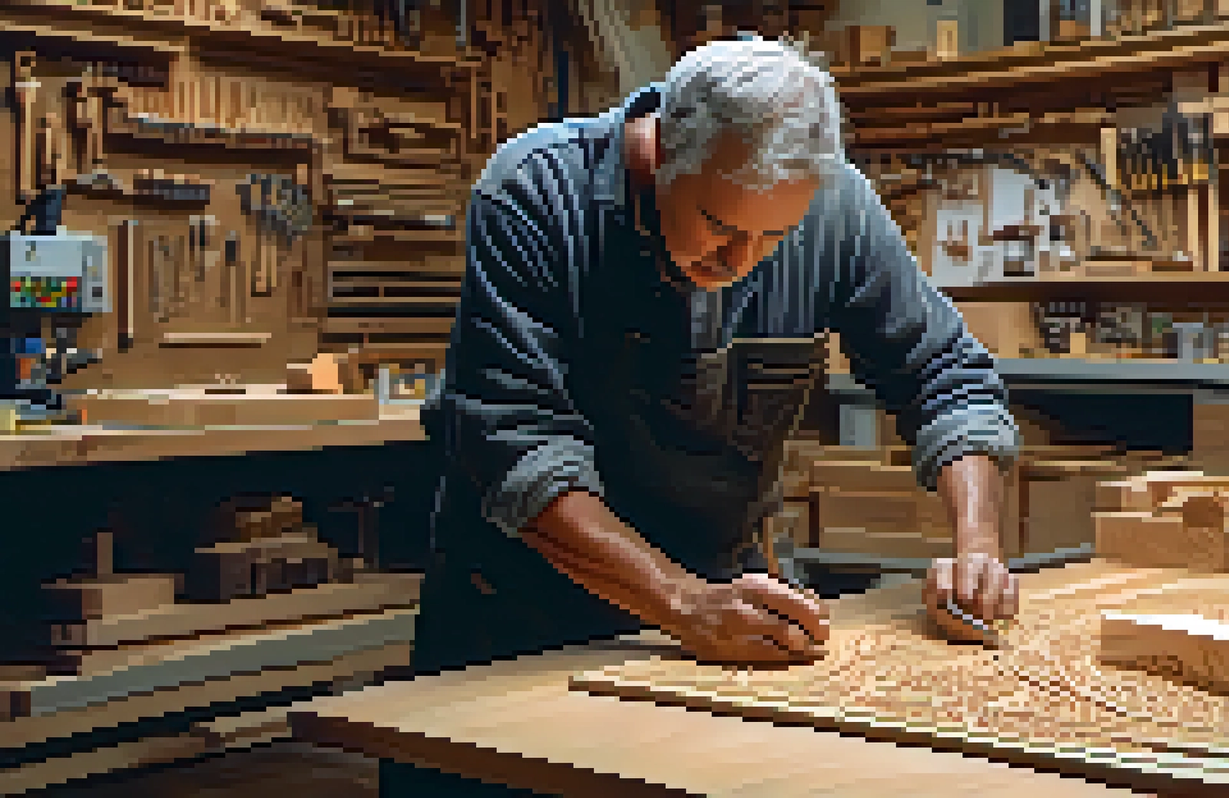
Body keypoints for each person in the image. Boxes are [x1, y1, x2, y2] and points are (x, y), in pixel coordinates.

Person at [386, 34, 1023, 795]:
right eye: (720, 226)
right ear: (661, 155)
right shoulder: (534, 194)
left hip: (723, 623)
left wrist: (977, 547)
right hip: (522, 621)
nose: (741, 261)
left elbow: (945, 374)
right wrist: (678, 601)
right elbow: (518, 450)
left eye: (774, 237)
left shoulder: (838, 207)